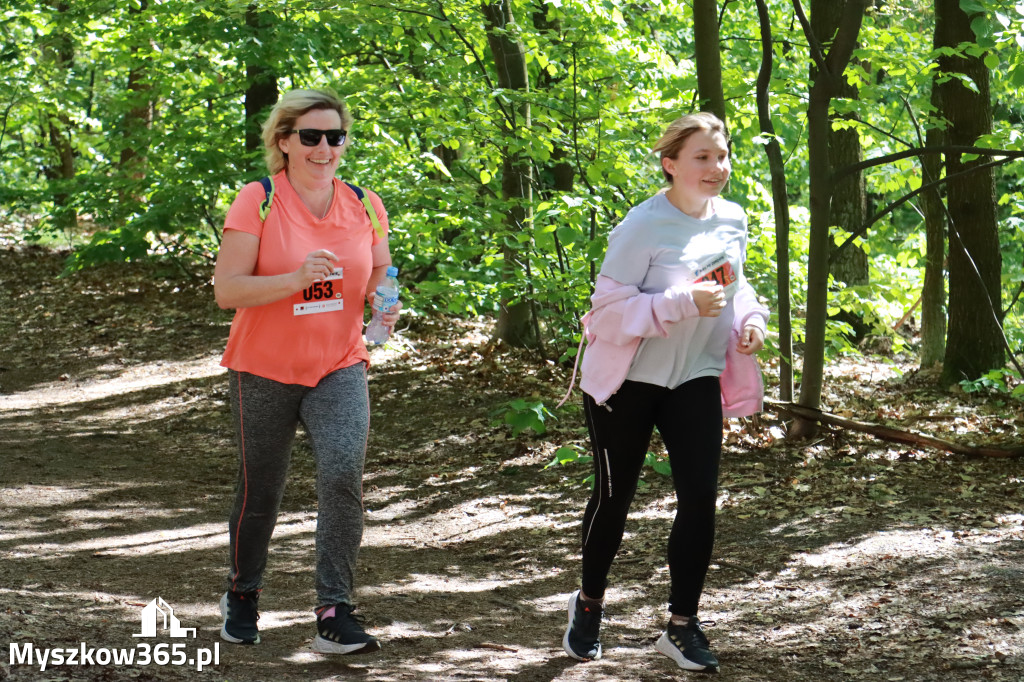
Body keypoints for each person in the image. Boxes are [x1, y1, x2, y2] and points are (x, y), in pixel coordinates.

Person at [561, 112, 769, 673]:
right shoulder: (642, 226)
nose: (716, 168)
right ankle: (589, 604)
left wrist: (752, 320)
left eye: (722, 156)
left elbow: (736, 283)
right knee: (615, 498)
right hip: (627, 383)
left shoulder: (732, 219)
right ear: (670, 164)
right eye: (702, 158)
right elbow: (603, 316)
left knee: (699, 497)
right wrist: (678, 304)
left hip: (695, 377)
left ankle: (681, 625)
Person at [213, 88, 400, 654]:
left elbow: (383, 270)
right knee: (261, 488)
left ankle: (334, 608)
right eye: (311, 137)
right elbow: (227, 290)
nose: (325, 148)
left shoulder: (365, 202)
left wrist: (385, 299)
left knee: (343, 475)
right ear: (285, 141)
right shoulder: (259, 199)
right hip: (264, 367)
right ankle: (243, 591)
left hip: (340, 364)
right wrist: (294, 280)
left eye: (335, 136)